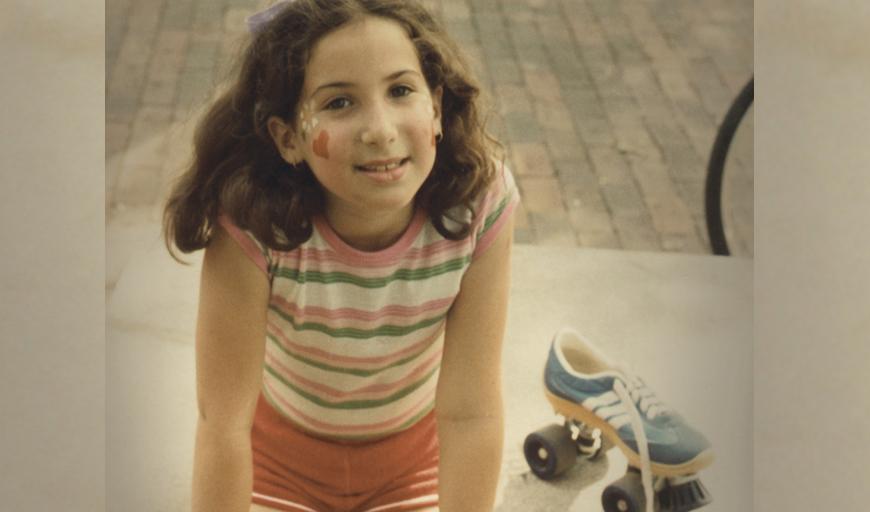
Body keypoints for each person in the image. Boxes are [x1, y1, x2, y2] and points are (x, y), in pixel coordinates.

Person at [163, 0, 520, 510]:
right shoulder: (254, 222)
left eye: (400, 91)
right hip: (275, 461)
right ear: (288, 139)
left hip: (415, 462)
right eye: (338, 103)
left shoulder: (480, 203)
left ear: (436, 108)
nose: (380, 129)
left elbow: (471, 414)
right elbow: (222, 424)